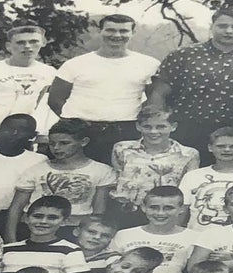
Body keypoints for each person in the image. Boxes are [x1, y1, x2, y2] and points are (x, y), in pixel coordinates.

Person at [146, 5, 233, 163]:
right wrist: (157, 129)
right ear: (211, 26)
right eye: (222, 26)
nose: (228, 31)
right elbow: (158, 94)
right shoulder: (183, 55)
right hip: (187, 131)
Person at [46, 14, 159, 162]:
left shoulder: (149, 64)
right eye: (110, 30)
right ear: (101, 31)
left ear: (133, 33)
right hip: (81, 130)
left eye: (123, 31)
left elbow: (154, 99)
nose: (117, 35)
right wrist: (74, 123)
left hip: (125, 130)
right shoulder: (75, 64)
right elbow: (55, 99)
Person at [7, 119, 114, 237]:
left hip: (74, 230)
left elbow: (99, 212)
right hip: (35, 228)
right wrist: (11, 239)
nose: (56, 148)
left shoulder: (102, 171)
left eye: (64, 143)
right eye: (52, 143)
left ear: (83, 142)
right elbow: (16, 208)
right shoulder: (36, 170)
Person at [107, 104, 198, 224]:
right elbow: (118, 173)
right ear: (138, 126)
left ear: (173, 126)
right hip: (126, 211)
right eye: (147, 126)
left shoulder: (188, 154)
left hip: (164, 212)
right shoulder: (122, 148)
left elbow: (188, 188)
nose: (153, 131)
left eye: (161, 127)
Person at [109, 183, 198, 273]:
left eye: (168, 208)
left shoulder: (194, 237)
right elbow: (111, 268)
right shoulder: (124, 234)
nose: (160, 213)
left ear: (181, 209)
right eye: (154, 207)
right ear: (143, 207)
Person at [0, 113, 44, 234]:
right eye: (9, 129)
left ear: (32, 135)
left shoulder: (39, 160)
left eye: (22, 130)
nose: (14, 134)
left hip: (17, 219)